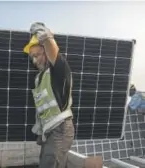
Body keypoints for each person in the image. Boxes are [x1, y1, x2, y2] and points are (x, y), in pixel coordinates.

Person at [23, 22, 103, 168]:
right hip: (51, 130)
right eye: (32, 57)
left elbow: (53, 50)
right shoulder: (40, 78)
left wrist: (44, 35)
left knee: (49, 163)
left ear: (46, 52)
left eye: (37, 55)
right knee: (53, 161)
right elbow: (43, 109)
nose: (34, 60)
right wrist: (41, 130)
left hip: (61, 128)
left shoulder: (59, 71)